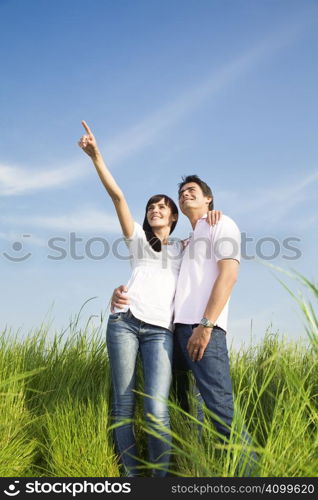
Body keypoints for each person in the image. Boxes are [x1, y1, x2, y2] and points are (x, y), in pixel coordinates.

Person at [78, 123, 221, 477]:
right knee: (123, 403)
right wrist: (97, 157)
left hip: (160, 331)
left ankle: (159, 480)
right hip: (124, 323)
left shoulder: (187, 248)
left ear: (173, 216)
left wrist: (213, 215)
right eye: (151, 206)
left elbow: (210, 241)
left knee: (157, 408)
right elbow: (118, 197)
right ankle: (130, 478)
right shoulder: (139, 242)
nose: (155, 209)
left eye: (162, 206)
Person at [112, 175, 258, 476]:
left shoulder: (220, 224)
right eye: (181, 193)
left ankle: (249, 476)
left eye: (191, 191)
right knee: (187, 404)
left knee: (219, 407)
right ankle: (192, 469)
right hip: (172, 331)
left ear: (209, 199)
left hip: (200, 330)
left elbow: (229, 275)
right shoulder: (187, 241)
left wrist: (206, 325)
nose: (184, 195)